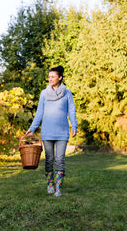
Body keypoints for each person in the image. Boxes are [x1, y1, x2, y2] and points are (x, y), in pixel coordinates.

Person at [25, 65, 77, 197]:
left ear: (60, 77)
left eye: (53, 76)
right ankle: (50, 185)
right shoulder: (44, 93)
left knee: (60, 159)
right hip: (47, 132)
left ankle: (58, 188)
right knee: (49, 159)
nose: (50, 79)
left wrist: (74, 126)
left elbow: (71, 110)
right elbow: (39, 113)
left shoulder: (67, 93)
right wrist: (32, 129)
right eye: (49, 77)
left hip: (62, 132)